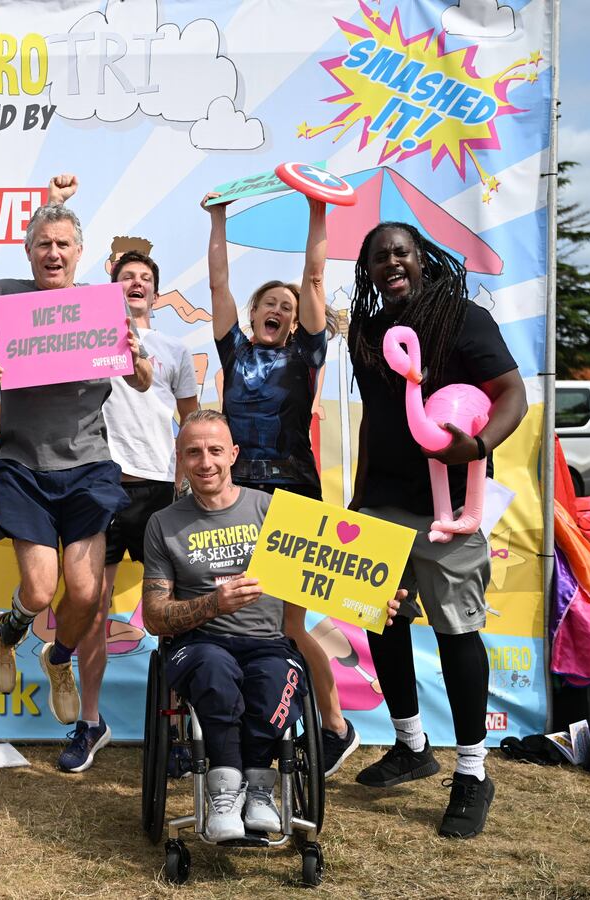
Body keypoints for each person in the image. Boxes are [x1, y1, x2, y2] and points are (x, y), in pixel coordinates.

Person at [141, 410, 402, 840]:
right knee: (214, 671)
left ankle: (259, 788)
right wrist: (212, 604)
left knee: (275, 679)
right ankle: (225, 791)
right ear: (181, 458)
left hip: (267, 642)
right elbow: (154, 616)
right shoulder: (164, 524)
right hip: (199, 643)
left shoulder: (273, 510)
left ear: (234, 455)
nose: (205, 462)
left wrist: (375, 598)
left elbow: (336, 570)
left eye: (215, 451)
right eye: (193, 452)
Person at [347, 221, 526, 838]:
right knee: (383, 620)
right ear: (368, 269)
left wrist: (476, 444)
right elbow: (374, 415)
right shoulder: (366, 331)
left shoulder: (465, 319)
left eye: (400, 252)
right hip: (384, 503)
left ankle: (473, 771)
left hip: (451, 510)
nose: (391, 263)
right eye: (378, 257)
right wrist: (359, 494)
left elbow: (512, 395)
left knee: (456, 632)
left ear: (421, 259)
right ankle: (411, 744)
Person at [0, 181, 152, 726]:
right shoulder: (3, 295)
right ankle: (7, 631)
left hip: (88, 464)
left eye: (63, 244)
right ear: (28, 251)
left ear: (78, 253)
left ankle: (58, 657)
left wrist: (135, 356)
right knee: (40, 590)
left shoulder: (101, 304)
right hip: (23, 465)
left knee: (87, 593)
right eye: (44, 243)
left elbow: (141, 381)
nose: (54, 253)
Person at [204, 190, 359, 777]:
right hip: (232, 499)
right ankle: (236, 730)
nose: (281, 308)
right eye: (270, 302)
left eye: (288, 307)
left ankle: (336, 725)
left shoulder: (308, 354)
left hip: (295, 496)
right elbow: (219, 286)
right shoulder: (234, 350)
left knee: (291, 623)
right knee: (231, 617)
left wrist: (319, 208)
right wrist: (218, 219)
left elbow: (315, 276)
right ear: (252, 314)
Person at [59, 240, 199, 772]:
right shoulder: (87, 339)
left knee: (178, 612)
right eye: (125, 276)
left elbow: (190, 423)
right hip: (99, 485)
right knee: (93, 604)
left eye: (144, 277)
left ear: (155, 292)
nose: (135, 283)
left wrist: (184, 487)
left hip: (160, 491)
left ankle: (182, 727)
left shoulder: (175, 350)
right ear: (111, 287)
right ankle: (90, 723)